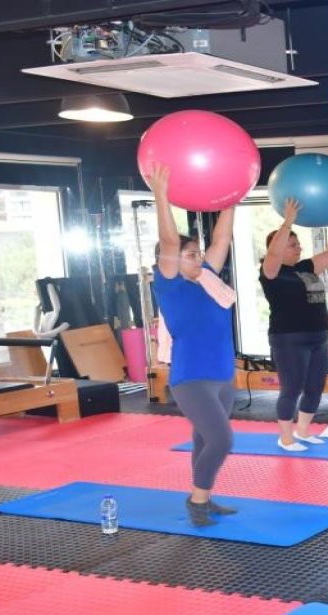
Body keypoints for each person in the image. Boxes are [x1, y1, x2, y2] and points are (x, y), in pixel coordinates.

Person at [147, 163, 241, 527]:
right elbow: (170, 242)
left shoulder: (208, 279)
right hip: (191, 378)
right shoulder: (170, 284)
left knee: (205, 439)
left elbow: (221, 241)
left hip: (223, 376)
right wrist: (160, 195)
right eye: (190, 255)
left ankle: (205, 494)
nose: (198, 257)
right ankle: (197, 501)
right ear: (169, 261)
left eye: (197, 253)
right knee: (221, 440)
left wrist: (231, 200)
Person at [259, 199, 328, 450]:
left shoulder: (305, 267)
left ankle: (303, 431)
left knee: (315, 387)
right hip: (289, 338)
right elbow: (273, 253)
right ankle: (286, 437)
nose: (298, 247)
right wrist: (288, 221)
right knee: (291, 389)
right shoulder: (270, 271)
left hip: (318, 335)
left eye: (298, 243)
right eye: (292, 244)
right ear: (278, 247)